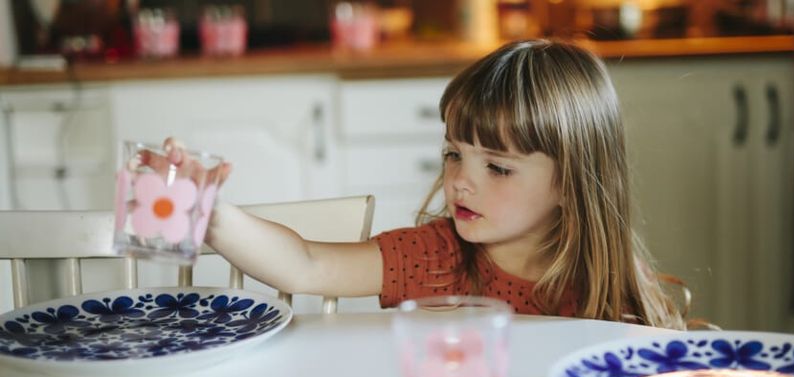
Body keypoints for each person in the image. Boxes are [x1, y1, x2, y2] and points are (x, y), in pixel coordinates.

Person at [157, 39, 686, 329]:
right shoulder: (435, 257)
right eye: (454, 154)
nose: (460, 182)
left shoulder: (609, 291)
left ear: (572, 182)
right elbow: (306, 265)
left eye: (497, 167)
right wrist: (212, 213)